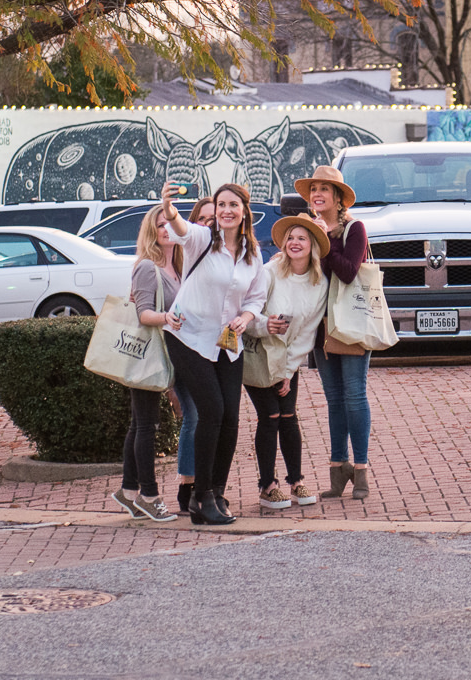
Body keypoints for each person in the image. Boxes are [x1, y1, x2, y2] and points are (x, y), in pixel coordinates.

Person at [160, 182, 265, 525]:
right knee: (212, 410)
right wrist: (168, 206)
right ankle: (200, 495)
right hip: (188, 335)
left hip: (226, 342)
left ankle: (216, 493)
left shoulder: (252, 251)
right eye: (221, 205)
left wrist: (246, 317)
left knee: (231, 419)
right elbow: (180, 227)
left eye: (233, 204)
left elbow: (256, 297)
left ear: (245, 211)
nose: (226, 210)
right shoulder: (203, 239)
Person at [244, 214, 330, 510]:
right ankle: (267, 486)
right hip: (258, 354)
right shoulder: (269, 273)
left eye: (302, 238)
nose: (295, 243)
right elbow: (248, 311)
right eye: (290, 237)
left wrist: (288, 372)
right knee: (269, 416)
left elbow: (307, 332)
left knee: (289, 416)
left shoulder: (320, 283)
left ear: (313, 246)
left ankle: (296, 482)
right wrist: (264, 325)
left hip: (287, 362)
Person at [299, 165, 374, 501]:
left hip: (351, 322)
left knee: (355, 395)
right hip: (319, 327)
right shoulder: (306, 228)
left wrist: (324, 240)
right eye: (313, 188)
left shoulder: (353, 229)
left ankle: (360, 470)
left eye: (324, 189)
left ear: (338, 198)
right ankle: (337, 467)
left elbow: (347, 272)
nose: (317, 194)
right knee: (333, 400)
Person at [112, 205, 182, 523]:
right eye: (161, 224)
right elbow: (142, 314)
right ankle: (149, 495)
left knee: (139, 423)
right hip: (148, 355)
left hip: (165, 353)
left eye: (171, 223)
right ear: (152, 231)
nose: (167, 228)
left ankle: (128, 492)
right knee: (147, 425)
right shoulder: (146, 267)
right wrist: (167, 317)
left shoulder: (176, 266)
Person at [167, 195, 215, 514]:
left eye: (217, 218)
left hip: (209, 346)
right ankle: (188, 484)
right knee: (194, 415)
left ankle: (200, 485)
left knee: (203, 416)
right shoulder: (185, 250)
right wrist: (169, 207)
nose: (211, 223)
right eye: (205, 218)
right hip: (182, 342)